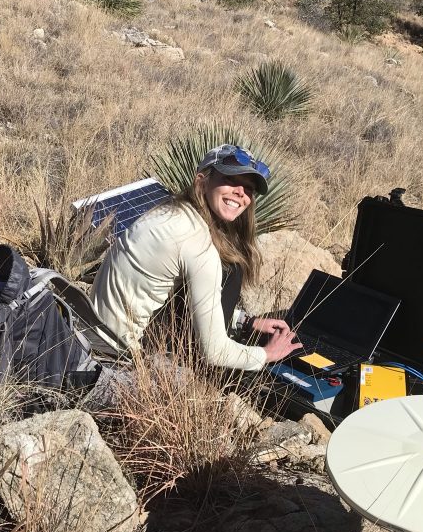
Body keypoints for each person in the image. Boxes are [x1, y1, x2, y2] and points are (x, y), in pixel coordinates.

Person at [86, 144, 302, 371]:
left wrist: (245, 321)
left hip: (98, 336)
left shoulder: (169, 212)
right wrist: (267, 353)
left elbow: (175, 296)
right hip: (119, 360)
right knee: (231, 268)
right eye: (230, 180)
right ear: (202, 180)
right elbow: (215, 352)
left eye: (248, 188)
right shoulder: (197, 245)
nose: (241, 192)